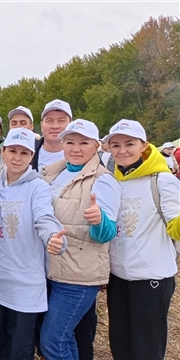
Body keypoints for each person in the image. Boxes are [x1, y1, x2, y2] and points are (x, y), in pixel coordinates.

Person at [39, 119, 121, 360]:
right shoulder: (55, 174)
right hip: (53, 269)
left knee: (52, 342)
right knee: (63, 337)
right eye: (70, 142)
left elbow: (106, 235)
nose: (75, 148)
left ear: (96, 146)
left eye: (83, 142)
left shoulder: (103, 181)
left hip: (77, 277)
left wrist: (99, 221)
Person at [0, 127, 66, 360]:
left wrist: (52, 237)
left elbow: (44, 216)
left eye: (24, 152)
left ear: (32, 156)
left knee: (19, 350)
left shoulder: (38, 187)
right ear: (4, 152)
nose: (17, 158)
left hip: (25, 287)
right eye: (12, 151)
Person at [104, 120, 180, 360]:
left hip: (151, 279)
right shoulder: (113, 181)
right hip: (118, 277)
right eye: (116, 145)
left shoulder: (161, 181)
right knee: (121, 344)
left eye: (129, 144)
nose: (122, 150)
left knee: (145, 349)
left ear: (144, 145)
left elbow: (175, 226)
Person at [31, 99, 72, 173]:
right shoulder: (26, 151)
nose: (55, 126)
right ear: (41, 125)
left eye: (61, 120)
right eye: (49, 121)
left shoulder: (84, 156)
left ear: (71, 125)